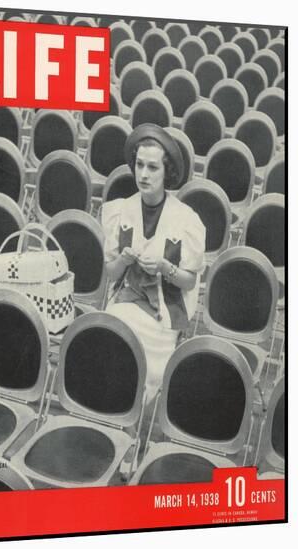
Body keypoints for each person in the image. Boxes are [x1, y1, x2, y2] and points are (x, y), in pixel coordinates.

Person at [101, 124, 206, 403]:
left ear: (166, 172)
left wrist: (163, 267)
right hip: (125, 300)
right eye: (139, 165)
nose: (144, 174)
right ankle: (112, 409)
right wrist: (123, 260)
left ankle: (128, 410)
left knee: (134, 353)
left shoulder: (186, 219)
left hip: (163, 311)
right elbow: (110, 273)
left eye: (152, 167)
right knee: (112, 331)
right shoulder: (120, 210)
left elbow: (190, 280)